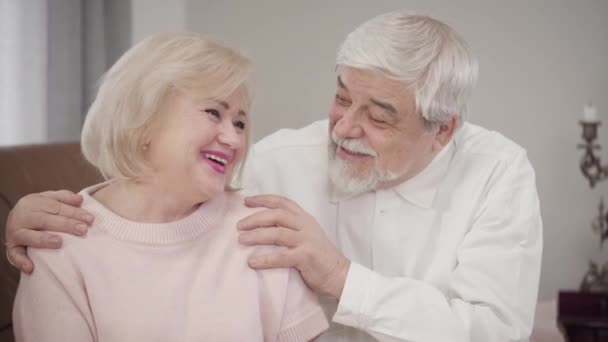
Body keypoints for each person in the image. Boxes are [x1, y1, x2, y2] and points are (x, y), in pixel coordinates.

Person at [6, 11, 542, 342]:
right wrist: (28, 217)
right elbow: (167, 198)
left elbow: (495, 332)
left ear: (443, 131)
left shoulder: (498, 173)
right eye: (340, 97)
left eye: (379, 116)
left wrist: (340, 277)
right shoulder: (278, 160)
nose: (345, 128)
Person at [10, 32, 328, 341]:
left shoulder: (260, 229)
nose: (233, 138)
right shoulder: (59, 242)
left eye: (240, 123)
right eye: (213, 113)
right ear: (144, 119)